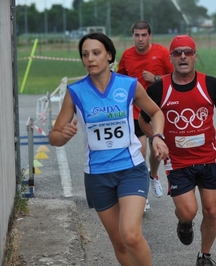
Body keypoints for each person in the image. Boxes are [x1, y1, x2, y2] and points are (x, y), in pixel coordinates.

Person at [49, 32, 168, 266]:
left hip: (130, 169)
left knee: (131, 235)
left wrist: (158, 136)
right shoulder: (75, 92)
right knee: (119, 243)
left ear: (109, 55)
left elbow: (155, 112)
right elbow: (54, 137)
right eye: (85, 55)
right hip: (97, 175)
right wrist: (62, 135)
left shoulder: (129, 85)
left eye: (96, 53)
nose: (90, 59)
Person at [139, 35, 216, 266]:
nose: (183, 56)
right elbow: (143, 119)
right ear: (171, 58)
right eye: (177, 53)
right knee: (188, 212)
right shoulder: (158, 88)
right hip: (178, 163)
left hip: (209, 159)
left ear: (195, 56)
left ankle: (204, 255)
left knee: (212, 211)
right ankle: (184, 223)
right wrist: (156, 137)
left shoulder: (211, 84)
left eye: (187, 52)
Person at [117, 21, 174, 209]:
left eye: (143, 35)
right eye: (136, 35)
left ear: (150, 36)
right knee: (140, 150)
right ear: (132, 36)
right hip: (135, 110)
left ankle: (153, 176)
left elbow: (176, 76)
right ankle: (141, 195)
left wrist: (156, 78)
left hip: (156, 111)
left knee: (156, 152)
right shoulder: (127, 55)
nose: (140, 39)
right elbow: (120, 78)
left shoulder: (162, 52)